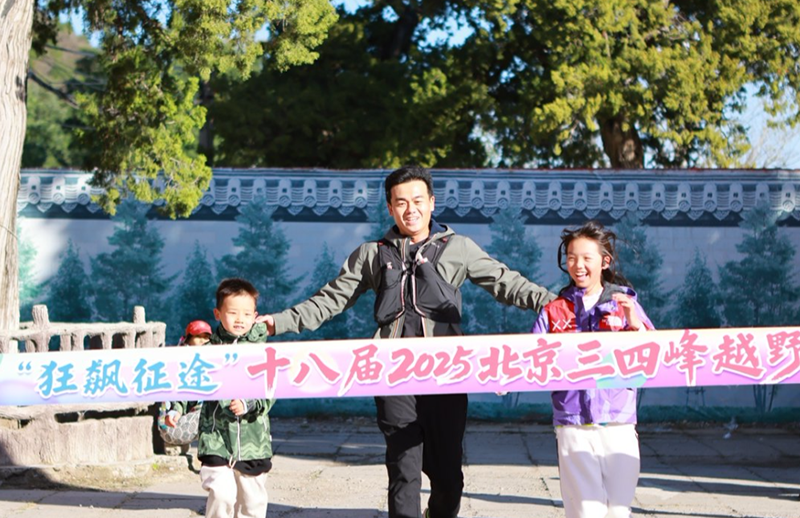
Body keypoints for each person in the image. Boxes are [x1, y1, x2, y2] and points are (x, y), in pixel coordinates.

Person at [258, 165, 555, 518]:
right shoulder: (371, 254)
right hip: (393, 375)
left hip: (446, 374)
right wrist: (277, 323)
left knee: (448, 478)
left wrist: (556, 304)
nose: (410, 209)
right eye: (401, 202)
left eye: (417, 200)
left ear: (432, 202)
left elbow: (507, 283)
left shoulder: (458, 247)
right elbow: (329, 300)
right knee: (403, 469)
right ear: (390, 207)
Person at [531, 220, 653, 518]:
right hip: (573, 424)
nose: (578, 265)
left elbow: (652, 355)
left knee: (618, 510)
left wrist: (633, 323)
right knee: (586, 511)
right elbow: (530, 356)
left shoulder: (624, 304)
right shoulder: (554, 310)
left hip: (619, 422)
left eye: (587, 257)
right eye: (572, 258)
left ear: (604, 261)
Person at [171, 278, 273, 518]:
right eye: (233, 312)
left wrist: (248, 403)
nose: (240, 319)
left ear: (255, 316)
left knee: (253, 502)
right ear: (218, 313)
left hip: (253, 440)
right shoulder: (207, 352)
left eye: (246, 314)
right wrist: (177, 408)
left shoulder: (262, 352)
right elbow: (189, 384)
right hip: (215, 436)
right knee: (222, 493)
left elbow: (270, 391)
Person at [158, 320, 212, 449]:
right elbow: (178, 395)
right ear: (188, 339)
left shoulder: (211, 362)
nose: (203, 341)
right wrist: (176, 411)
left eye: (206, 337)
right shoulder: (180, 361)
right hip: (174, 422)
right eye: (198, 337)